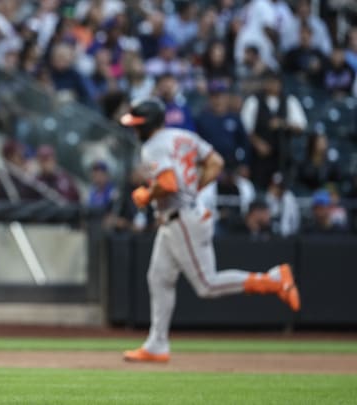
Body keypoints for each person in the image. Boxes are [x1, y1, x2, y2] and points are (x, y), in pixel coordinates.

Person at [119, 98, 300, 363]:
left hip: (183, 220)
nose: (134, 129)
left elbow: (168, 183)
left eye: (137, 124)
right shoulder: (183, 136)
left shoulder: (153, 147)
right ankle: (157, 344)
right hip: (183, 213)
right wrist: (193, 190)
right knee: (158, 277)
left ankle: (273, 280)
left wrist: (147, 194)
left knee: (207, 285)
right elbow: (215, 162)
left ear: (147, 125)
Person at [240, 71, 307, 189]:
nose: (273, 85)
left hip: (283, 156)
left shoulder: (289, 100)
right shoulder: (254, 100)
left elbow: (301, 126)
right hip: (259, 159)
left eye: (276, 82)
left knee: (283, 188)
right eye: (269, 81)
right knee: (260, 188)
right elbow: (244, 127)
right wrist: (258, 143)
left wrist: (283, 124)